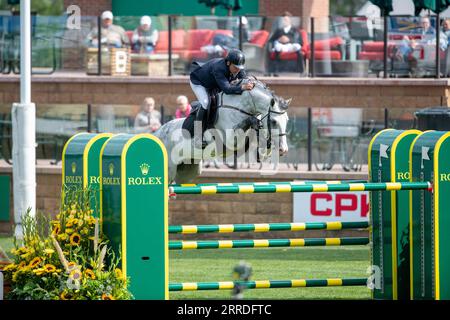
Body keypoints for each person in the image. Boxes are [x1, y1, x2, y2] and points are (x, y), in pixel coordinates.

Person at [189, 49, 254, 148]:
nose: (238, 70)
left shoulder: (237, 67)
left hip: (213, 83)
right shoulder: (219, 68)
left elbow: (244, 78)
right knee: (206, 103)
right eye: (235, 67)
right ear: (228, 63)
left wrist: (251, 81)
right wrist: (242, 87)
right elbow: (227, 89)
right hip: (199, 83)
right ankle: (198, 137)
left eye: (240, 68)